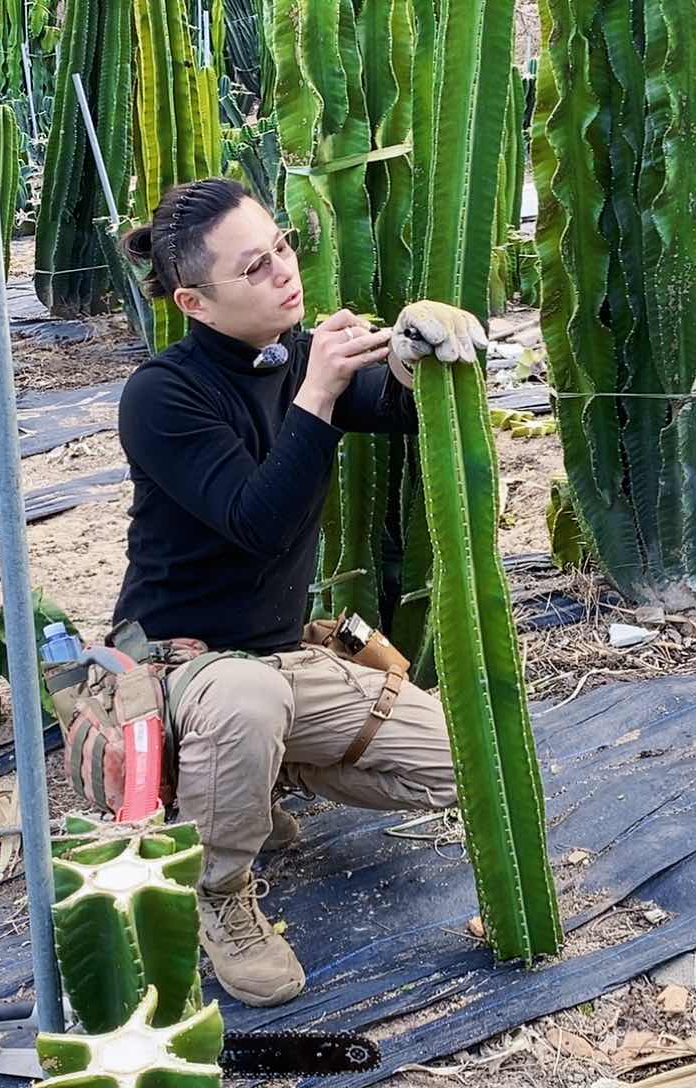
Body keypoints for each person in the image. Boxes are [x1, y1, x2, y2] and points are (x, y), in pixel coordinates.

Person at [114, 178, 486, 1008]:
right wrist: (316, 390)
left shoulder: (290, 351)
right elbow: (259, 523)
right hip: (185, 669)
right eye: (255, 265)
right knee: (244, 698)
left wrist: (416, 351)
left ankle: (259, 778)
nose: (285, 269)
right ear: (195, 302)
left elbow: (393, 405)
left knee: (465, 764)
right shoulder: (161, 397)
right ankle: (220, 894)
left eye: (282, 245)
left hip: (280, 660)